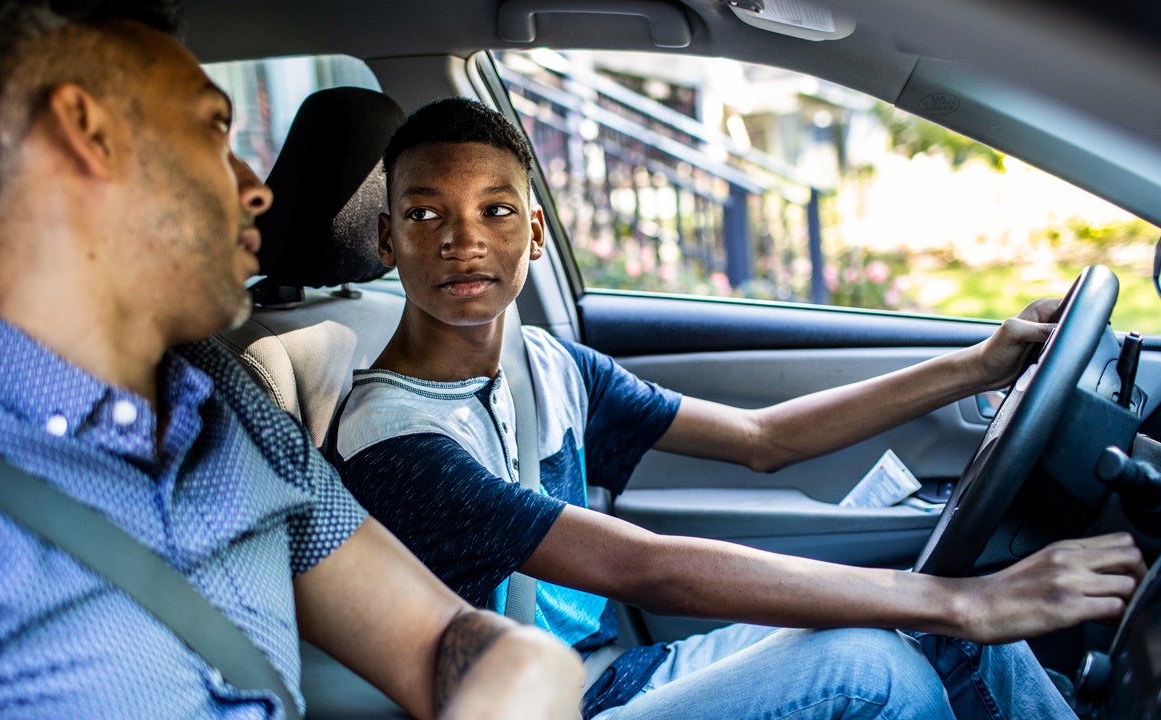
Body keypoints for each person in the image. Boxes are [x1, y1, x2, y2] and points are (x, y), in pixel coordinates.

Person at [332, 97, 1147, 720]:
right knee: (881, 660)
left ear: (536, 233)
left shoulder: (549, 364)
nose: (460, 239)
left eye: (495, 211)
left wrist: (977, 366)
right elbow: (639, 566)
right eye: (425, 214)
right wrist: (965, 603)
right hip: (543, 707)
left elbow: (764, 438)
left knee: (938, 620)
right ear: (385, 241)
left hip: (614, 672)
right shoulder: (393, 439)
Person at [0, 3, 583, 719]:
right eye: (216, 128)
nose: (255, 188)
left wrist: (525, 671)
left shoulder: (231, 406)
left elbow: (439, 640)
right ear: (85, 131)